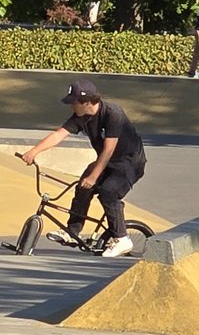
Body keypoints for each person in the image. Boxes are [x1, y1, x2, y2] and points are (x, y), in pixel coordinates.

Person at [20, 79, 146, 258]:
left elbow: (108, 150)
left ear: (87, 102)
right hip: (109, 161)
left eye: (74, 102)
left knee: (108, 191)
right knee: (82, 187)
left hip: (130, 162)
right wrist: (34, 151)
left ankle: (122, 238)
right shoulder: (81, 117)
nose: (71, 106)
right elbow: (59, 135)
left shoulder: (113, 114)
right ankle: (73, 231)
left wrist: (94, 177)